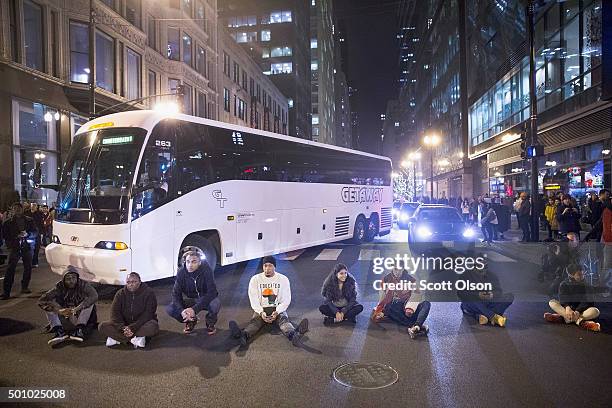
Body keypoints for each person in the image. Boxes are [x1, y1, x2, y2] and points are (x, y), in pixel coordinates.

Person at [229, 255, 309, 347]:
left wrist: (277, 311)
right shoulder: (255, 279)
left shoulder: (283, 279)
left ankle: (294, 335)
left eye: (270, 265)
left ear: (275, 266)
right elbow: (253, 299)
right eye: (265, 266)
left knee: (284, 321)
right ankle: (243, 335)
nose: (267, 268)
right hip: (262, 308)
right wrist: (261, 312)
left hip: (277, 308)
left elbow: (286, 299)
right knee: (255, 322)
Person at [38, 267, 99, 345]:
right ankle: (59, 331)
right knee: (49, 304)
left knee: (89, 304)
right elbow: (41, 300)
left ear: (77, 278)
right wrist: (59, 310)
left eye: (74, 278)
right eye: (68, 278)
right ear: (63, 280)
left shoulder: (83, 285)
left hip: (80, 317)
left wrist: (78, 308)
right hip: (65, 316)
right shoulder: (59, 287)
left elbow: (94, 296)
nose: (71, 281)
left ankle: (79, 330)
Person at [166, 250, 220, 335]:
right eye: (188, 262)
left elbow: (212, 292)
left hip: (204, 298)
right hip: (192, 299)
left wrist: (194, 309)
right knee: (170, 308)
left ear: (199, 263)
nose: (190, 265)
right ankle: (191, 320)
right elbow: (176, 294)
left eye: (194, 262)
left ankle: (210, 322)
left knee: (215, 304)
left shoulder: (206, 270)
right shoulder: (181, 273)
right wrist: (181, 311)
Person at [99, 272, 159, 348]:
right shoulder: (120, 294)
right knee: (102, 326)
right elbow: (114, 314)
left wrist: (133, 327)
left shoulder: (149, 293)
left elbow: (148, 314)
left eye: (134, 282)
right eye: (128, 282)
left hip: (141, 324)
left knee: (153, 326)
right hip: (124, 325)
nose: (131, 284)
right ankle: (135, 339)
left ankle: (119, 339)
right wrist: (123, 328)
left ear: (140, 282)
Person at [371, 267, 431, 339]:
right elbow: (383, 296)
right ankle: (417, 326)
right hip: (396, 309)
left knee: (426, 304)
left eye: (400, 269)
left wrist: (410, 308)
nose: (397, 272)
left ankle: (416, 326)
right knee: (393, 303)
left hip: (408, 309)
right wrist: (380, 311)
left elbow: (416, 294)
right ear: (392, 269)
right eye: (395, 269)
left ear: (403, 269)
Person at [544, 263, 600, 332]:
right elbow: (562, 298)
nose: (582, 276)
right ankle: (580, 322)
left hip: (582, 311)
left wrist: (578, 311)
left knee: (595, 311)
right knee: (552, 302)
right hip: (568, 310)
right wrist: (567, 307)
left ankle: (563, 318)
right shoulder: (564, 284)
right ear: (571, 275)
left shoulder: (587, 285)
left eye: (583, 274)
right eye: (579, 274)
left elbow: (587, 302)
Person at [1, 202, 37, 299]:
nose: (17, 210)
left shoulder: (29, 220)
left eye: (19, 208)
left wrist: (27, 234)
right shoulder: (7, 223)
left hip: (27, 246)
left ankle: (25, 286)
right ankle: (6, 291)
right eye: (15, 208)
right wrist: (12, 244)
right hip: (15, 247)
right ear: (12, 210)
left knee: (28, 267)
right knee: (10, 269)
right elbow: (5, 236)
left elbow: (35, 232)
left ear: (22, 209)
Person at [30, 203, 44, 267]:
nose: (33, 207)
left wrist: (42, 233)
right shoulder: (27, 213)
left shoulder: (39, 214)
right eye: (32, 206)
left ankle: (35, 262)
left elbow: (41, 224)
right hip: (29, 233)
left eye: (34, 206)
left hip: (37, 233)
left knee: (36, 248)